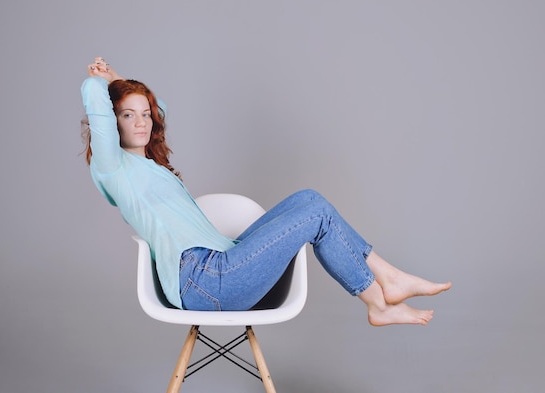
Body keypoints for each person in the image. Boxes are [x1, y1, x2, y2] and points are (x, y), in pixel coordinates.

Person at [80, 57, 451, 326]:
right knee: (315, 214)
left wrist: (120, 78)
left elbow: (158, 107)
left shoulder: (149, 165)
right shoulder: (113, 168)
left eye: (143, 114)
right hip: (205, 282)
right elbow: (97, 105)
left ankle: (385, 282)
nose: (141, 121)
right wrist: (100, 81)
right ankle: (381, 295)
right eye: (128, 114)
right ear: (112, 121)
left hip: (223, 262)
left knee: (309, 199)